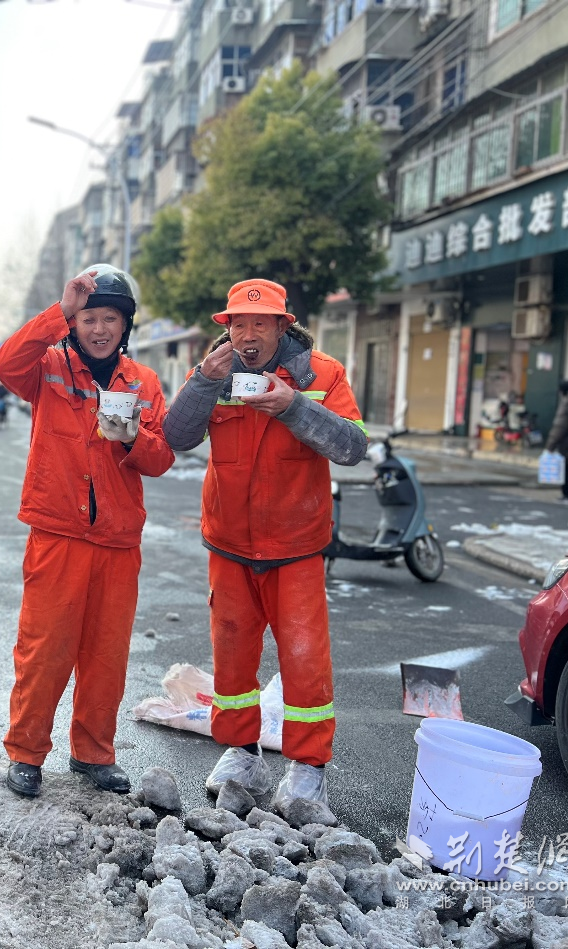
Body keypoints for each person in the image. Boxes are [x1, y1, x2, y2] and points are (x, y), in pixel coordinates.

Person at [163, 278, 367, 813]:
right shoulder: (214, 370)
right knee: (232, 658)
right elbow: (177, 436)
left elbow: (352, 447)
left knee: (304, 659)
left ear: (282, 325)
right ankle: (242, 753)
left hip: (296, 545)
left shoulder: (321, 374)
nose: (248, 334)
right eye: (238, 324)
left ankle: (308, 768)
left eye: (260, 323)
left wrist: (294, 406)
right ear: (228, 327)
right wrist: (203, 382)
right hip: (229, 544)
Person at [0, 264, 174, 798]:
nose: (99, 329)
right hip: (58, 534)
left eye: (109, 318)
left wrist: (132, 438)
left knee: (106, 656)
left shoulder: (143, 382)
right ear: (74, 322)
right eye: (89, 318)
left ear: (125, 325)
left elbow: (161, 458)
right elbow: (4, 363)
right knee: (44, 650)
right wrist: (60, 310)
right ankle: (26, 753)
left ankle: (94, 753)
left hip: (117, 540)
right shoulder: (47, 366)